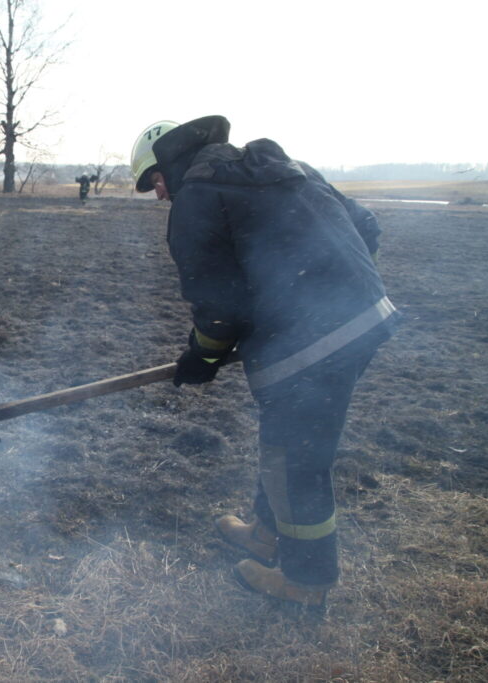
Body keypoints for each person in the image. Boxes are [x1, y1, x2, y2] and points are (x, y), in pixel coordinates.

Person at [130, 115, 399, 610]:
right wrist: (338, 291)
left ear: (171, 164)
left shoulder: (197, 199)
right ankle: (264, 532)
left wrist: (202, 356)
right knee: (289, 439)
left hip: (309, 342)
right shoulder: (282, 164)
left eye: (156, 182)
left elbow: (219, 307)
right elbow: (366, 226)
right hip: (365, 317)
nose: (160, 195)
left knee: (295, 459)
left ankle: (305, 581)